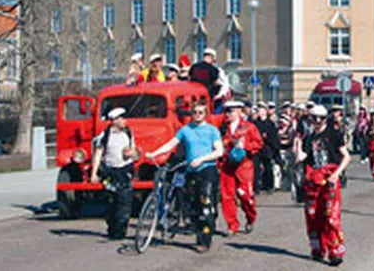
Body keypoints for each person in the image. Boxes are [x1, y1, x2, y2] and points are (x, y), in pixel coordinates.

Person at [145, 103, 223, 253]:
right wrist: (154, 154)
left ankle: (204, 240)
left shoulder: (212, 130)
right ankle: (200, 228)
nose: (198, 114)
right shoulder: (185, 130)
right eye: (195, 112)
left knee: (205, 204)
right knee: (192, 206)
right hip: (191, 171)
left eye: (201, 112)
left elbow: (219, 151)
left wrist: (202, 159)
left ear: (205, 113)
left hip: (207, 170)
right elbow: (171, 144)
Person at [297, 105, 350, 266]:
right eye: (314, 118)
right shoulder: (309, 137)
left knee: (330, 215)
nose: (318, 122)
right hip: (313, 181)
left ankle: (335, 251)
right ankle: (318, 249)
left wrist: (337, 173)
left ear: (326, 119)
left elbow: (346, 156)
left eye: (321, 118)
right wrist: (299, 150)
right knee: (313, 216)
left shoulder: (334, 134)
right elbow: (306, 158)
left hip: (329, 180)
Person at [90, 108, 139, 240]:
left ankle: (121, 231)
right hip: (110, 172)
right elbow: (98, 154)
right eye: (122, 118)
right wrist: (94, 173)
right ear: (115, 120)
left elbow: (135, 152)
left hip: (124, 171)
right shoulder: (104, 136)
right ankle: (112, 228)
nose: (125, 121)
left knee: (125, 202)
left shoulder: (128, 133)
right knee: (110, 202)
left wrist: (132, 154)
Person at [218, 100, 263, 236]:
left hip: (244, 166)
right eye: (226, 111)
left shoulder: (248, 127)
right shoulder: (222, 128)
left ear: (239, 111)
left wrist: (245, 146)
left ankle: (250, 217)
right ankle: (232, 225)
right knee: (227, 197)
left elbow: (258, 143)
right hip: (226, 166)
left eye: (230, 111)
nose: (227, 114)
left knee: (246, 196)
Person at [253, 102, 280, 194]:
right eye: (258, 110)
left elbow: (274, 136)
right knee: (255, 168)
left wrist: (267, 137)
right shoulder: (255, 123)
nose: (259, 111)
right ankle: (255, 187)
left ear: (265, 111)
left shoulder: (270, 123)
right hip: (256, 149)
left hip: (267, 148)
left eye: (261, 109)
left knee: (268, 167)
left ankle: (269, 185)